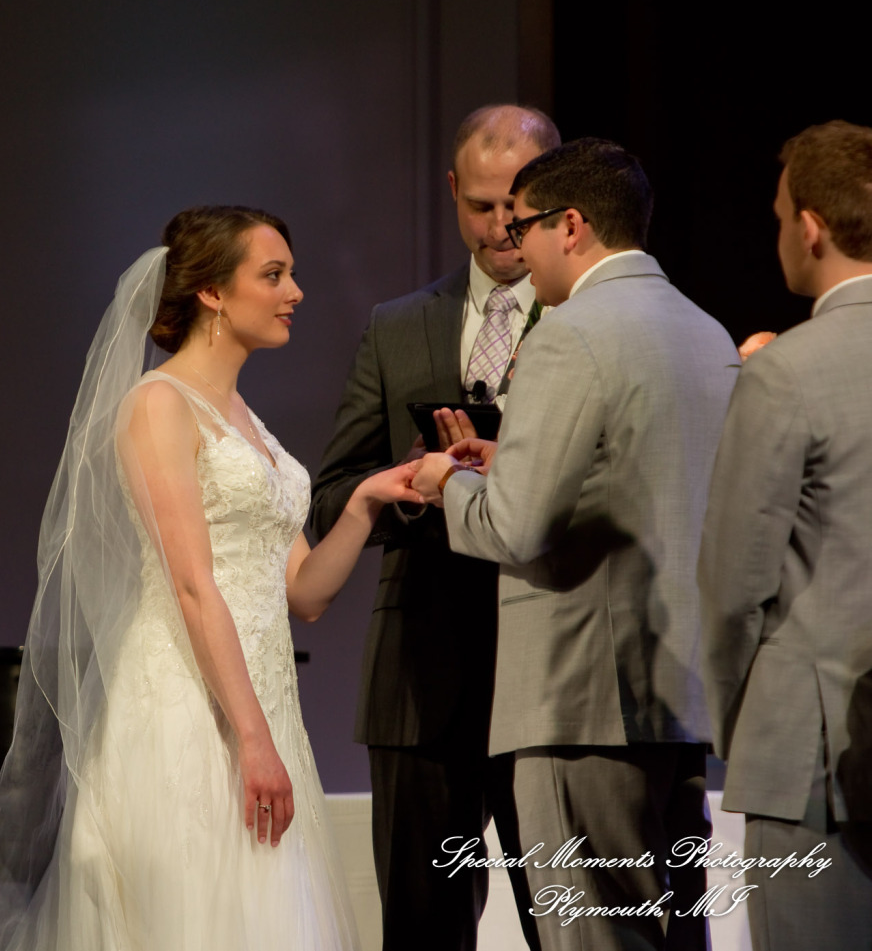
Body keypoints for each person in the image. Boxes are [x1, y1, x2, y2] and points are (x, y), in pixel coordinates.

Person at [0, 206, 425, 951]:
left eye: (291, 274)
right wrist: (252, 739)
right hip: (186, 710)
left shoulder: (246, 421)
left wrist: (367, 500)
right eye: (273, 275)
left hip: (261, 709)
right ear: (212, 292)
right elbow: (192, 584)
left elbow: (305, 593)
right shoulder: (159, 405)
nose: (295, 292)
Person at [413, 138, 739, 950]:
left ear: (572, 225)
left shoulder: (569, 333)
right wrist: (511, 460)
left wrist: (445, 481)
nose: (513, 245)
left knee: (593, 935)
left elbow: (516, 527)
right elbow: (646, 479)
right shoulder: (705, 331)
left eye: (522, 225)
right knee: (672, 931)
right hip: (676, 696)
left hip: (580, 698)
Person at [310, 104, 560, 950]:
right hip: (420, 680)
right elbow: (330, 494)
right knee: (422, 931)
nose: (500, 227)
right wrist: (409, 483)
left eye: (516, 206)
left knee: (566, 927)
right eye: (480, 206)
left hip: (548, 670)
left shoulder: (585, 319)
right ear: (452, 191)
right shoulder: (398, 323)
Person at [699, 120, 872, 951]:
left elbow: (733, 584)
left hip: (811, 754)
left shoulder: (785, 372)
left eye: (777, 219)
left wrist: (737, 721)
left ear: (809, 226)